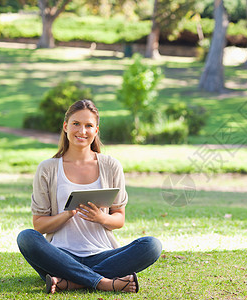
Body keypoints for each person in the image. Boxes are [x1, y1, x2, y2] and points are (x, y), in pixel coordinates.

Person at [16, 99, 162, 294]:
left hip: (103, 254)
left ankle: (71, 282)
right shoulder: (48, 168)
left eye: (88, 125)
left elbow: (119, 219)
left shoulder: (111, 166)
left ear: (96, 130)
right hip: (60, 256)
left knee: (151, 245)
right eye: (76, 124)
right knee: (26, 237)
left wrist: (101, 218)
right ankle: (103, 282)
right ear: (66, 126)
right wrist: (66, 214)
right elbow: (39, 225)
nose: (82, 131)